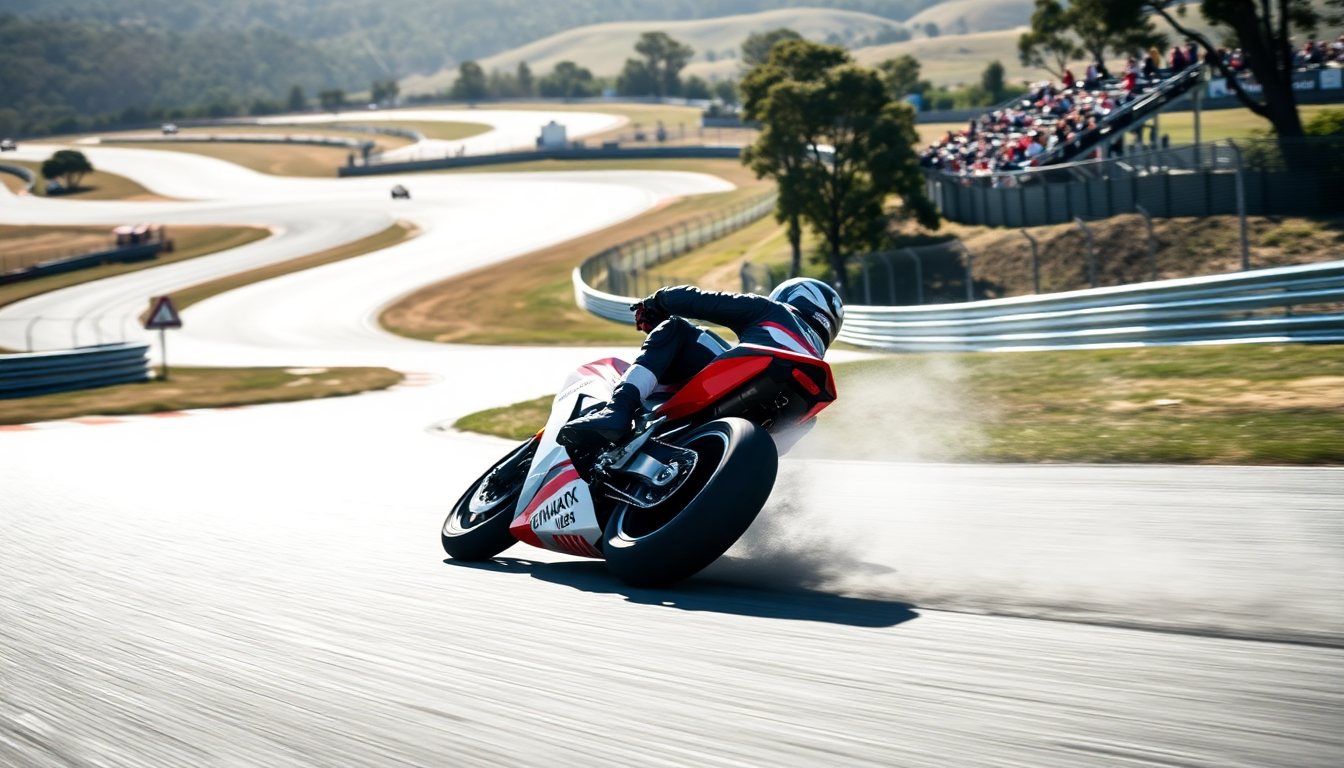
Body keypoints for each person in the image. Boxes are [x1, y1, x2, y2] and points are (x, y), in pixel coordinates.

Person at [556, 279, 845, 448]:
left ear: (794, 296)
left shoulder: (774, 309)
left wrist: (655, 303)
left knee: (675, 327)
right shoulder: (812, 361)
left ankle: (617, 410)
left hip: (748, 381)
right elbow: (774, 452)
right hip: (785, 410)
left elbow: (700, 301)